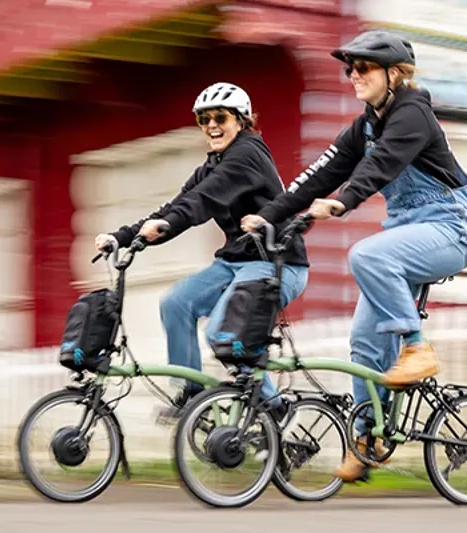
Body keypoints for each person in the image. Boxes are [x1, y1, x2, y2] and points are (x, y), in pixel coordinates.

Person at [241, 30, 467, 481]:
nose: (353, 76)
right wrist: (270, 216)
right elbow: (318, 175)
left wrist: (344, 201)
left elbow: (381, 164)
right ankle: (370, 440)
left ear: (395, 73)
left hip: (447, 228)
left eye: (363, 68)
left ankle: (416, 349)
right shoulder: (365, 125)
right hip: (406, 236)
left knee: (366, 256)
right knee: (364, 343)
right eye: (349, 69)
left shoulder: (412, 113)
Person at [95, 82, 309, 426]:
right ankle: (192, 394)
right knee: (176, 303)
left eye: (220, 117)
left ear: (241, 120)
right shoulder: (214, 164)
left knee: (222, 333)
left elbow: (203, 201)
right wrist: (122, 237)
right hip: (235, 263)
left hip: (276, 263)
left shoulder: (248, 154)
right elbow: (179, 204)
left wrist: (166, 224)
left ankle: (274, 406)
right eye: (203, 119)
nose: (211, 125)